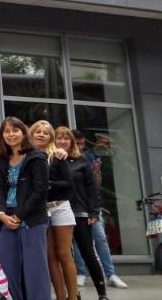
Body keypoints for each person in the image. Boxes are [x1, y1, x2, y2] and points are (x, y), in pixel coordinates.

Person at [0, 117, 50, 300]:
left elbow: (40, 191)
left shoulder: (37, 157)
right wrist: (1, 214)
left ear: (24, 132)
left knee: (35, 271)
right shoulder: (3, 159)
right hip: (7, 218)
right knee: (5, 268)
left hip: (32, 219)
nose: (11, 135)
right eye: (7, 131)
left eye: (15, 130)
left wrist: (18, 216)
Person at [57, 126, 109, 300]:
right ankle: (74, 293)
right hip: (57, 213)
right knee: (65, 255)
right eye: (59, 138)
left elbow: (91, 188)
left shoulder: (81, 160)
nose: (63, 141)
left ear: (71, 141)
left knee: (88, 252)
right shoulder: (51, 160)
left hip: (79, 212)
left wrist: (94, 212)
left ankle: (102, 293)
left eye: (66, 138)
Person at [30, 120, 77, 300]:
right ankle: (60, 297)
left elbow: (69, 184)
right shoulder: (27, 156)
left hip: (60, 207)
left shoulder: (57, 156)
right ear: (32, 134)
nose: (41, 135)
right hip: (41, 210)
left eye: (46, 132)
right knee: (50, 256)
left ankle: (73, 297)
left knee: (64, 253)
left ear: (51, 137)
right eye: (38, 132)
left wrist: (46, 184)